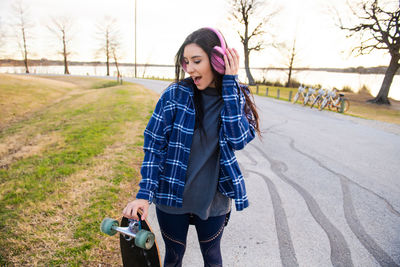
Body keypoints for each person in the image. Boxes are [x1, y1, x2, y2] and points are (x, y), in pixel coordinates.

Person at [123, 27, 261, 267]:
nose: (190, 68)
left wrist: (229, 84)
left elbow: (238, 139)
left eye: (197, 61)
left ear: (218, 60)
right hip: (170, 197)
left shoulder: (237, 95)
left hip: (213, 202)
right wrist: (144, 195)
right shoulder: (175, 95)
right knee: (174, 258)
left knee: (212, 258)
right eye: (186, 62)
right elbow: (154, 145)